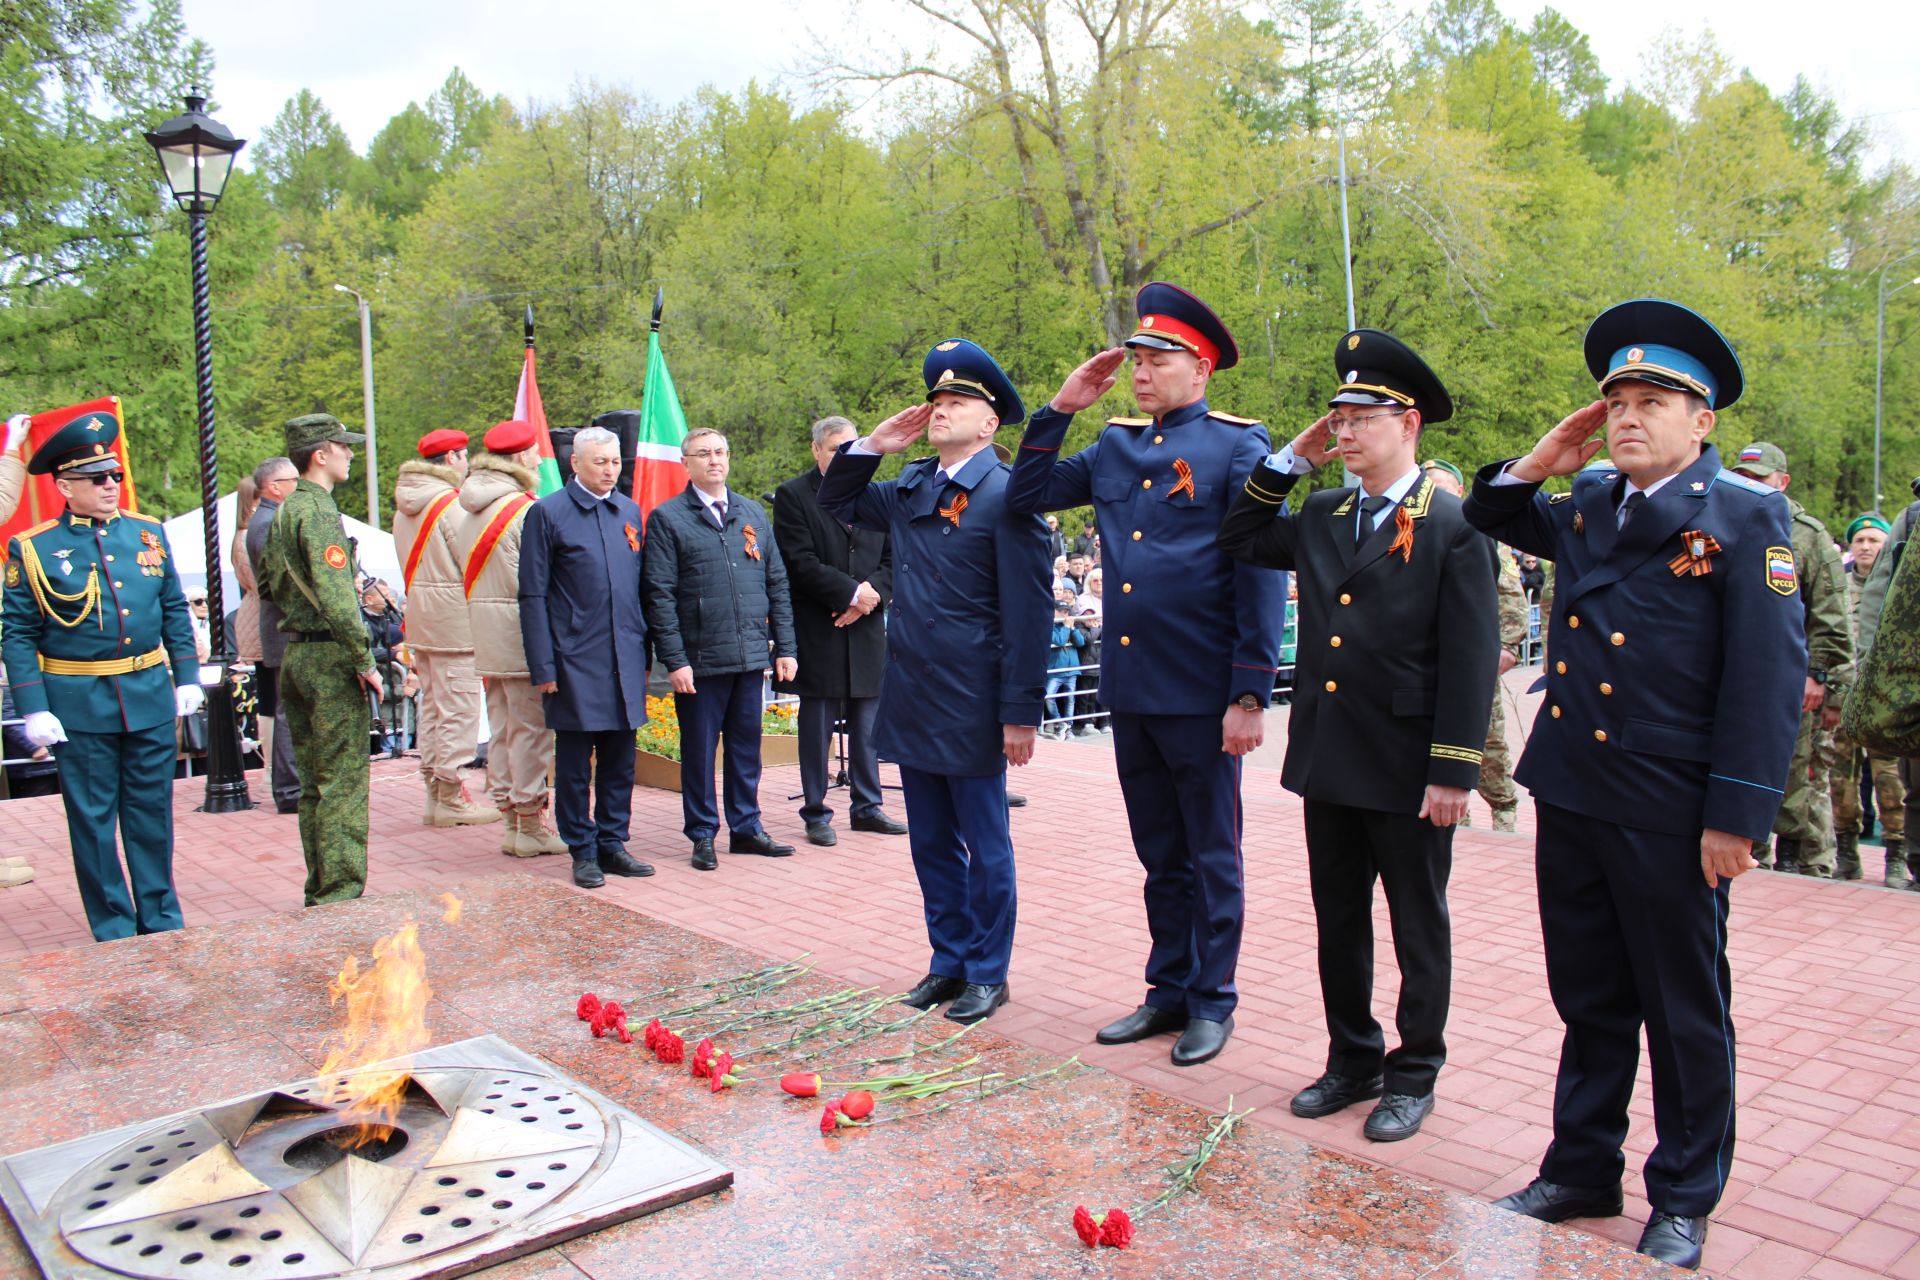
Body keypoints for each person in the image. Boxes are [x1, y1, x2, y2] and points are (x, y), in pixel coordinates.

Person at [1465, 299, 1805, 1271]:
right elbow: (1487, 511)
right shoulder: (1587, 503)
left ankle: (1686, 1192)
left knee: (1683, 1004)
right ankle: (1581, 1166)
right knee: (1590, 995)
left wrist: (1737, 813)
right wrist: (1543, 456)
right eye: (1616, 398)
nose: (1626, 414)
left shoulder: (1745, 516)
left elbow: (1766, 679)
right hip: (1575, 790)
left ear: (1703, 421)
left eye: (1653, 399)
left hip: (1672, 808)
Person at [1218, 333, 1497, 1142]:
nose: (1342, 430)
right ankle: (1353, 1057)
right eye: (1336, 417)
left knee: (1418, 924)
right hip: (1333, 755)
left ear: (1407, 424)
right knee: (1337, 917)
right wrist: (1288, 461)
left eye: (1360, 417)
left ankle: (1415, 1073)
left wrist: (1454, 769)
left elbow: (1473, 656)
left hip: (1410, 764)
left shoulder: (1452, 523)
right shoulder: (1323, 510)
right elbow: (1238, 538)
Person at [1006, 282, 1286, 1067]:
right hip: (1132, 689)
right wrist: (1062, 407)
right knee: (1159, 853)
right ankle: (1167, 989)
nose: (1139, 371)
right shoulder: (1118, 446)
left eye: (1157, 359)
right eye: (1136, 358)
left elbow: (1257, 571)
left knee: (1212, 854)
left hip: (1202, 692)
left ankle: (1213, 999)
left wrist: (1249, 691)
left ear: (1200, 369)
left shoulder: (1238, 447)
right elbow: (1026, 496)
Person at [818, 338, 1050, 1025]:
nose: (940, 410)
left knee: (986, 845)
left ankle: (988, 972)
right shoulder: (915, 482)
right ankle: (948, 961)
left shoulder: (1009, 496)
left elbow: (1032, 613)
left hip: (976, 699)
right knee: (930, 843)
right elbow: (839, 500)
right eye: (937, 401)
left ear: (990, 422)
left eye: (958, 402)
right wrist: (874, 444)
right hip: (915, 692)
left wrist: (1021, 712)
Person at [0, 410, 201, 938]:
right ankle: (112, 924)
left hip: (148, 693)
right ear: (65, 486)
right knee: (92, 821)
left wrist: (186, 676)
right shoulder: (34, 548)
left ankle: (160, 916)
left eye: (114, 475)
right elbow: (17, 632)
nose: (112, 485)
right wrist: (33, 707)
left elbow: (174, 609)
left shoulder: (148, 534)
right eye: (97, 478)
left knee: (152, 813)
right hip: (78, 701)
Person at [642, 428, 799, 869]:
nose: (714, 460)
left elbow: (777, 585)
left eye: (721, 452)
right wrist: (675, 660)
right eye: (704, 454)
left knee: (747, 749)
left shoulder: (751, 513)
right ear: (686, 464)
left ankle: (746, 828)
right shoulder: (669, 519)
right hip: (700, 661)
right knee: (699, 751)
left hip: (750, 656)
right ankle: (703, 834)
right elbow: (659, 595)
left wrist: (785, 647)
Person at [518, 425, 654, 889]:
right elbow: (532, 595)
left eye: (616, 462)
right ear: (574, 464)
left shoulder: (628, 510)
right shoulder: (548, 514)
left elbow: (641, 589)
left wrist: (646, 649)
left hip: (625, 653)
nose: (610, 471)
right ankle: (583, 848)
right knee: (576, 763)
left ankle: (614, 842)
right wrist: (543, 665)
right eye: (600, 462)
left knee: (621, 758)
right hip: (573, 658)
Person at [256, 414, 384, 907]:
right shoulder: (320, 512)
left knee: (313, 784)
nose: (351, 454)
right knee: (343, 785)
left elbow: (269, 585)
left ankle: (321, 887)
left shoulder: (283, 511)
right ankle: (340, 896)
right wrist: (364, 659)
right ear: (320, 454)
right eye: (343, 447)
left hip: (297, 655)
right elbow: (335, 596)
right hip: (331, 657)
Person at [772, 415, 906, 847]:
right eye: (834, 449)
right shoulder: (794, 495)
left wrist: (870, 596)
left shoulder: (878, 494)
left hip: (867, 627)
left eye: (851, 448)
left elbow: (895, 558)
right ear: (816, 450)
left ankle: (868, 807)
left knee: (869, 726)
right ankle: (816, 811)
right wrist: (850, 594)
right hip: (821, 625)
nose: (843, 456)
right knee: (817, 729)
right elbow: (799, 561)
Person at [1728, 442, 1851, 876]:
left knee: (1798, 774)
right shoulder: (1721, 517)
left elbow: (1830, 615)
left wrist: (1819, 675)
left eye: (1758, 479)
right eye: (1742, 476)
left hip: (1791, 678)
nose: (1749, 485)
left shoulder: (1808, 535)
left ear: (1782, 482)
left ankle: (1803, 861)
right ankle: (1750, 850)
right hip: (1737, 676)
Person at [451, 418, 569, 857]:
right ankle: (529, 820)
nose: (539, 459)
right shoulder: (523, 509)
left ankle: (510, 816)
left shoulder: (470, 507)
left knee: (503, 727)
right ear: (521, 457)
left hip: (485, 629)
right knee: (531, 730)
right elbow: (538, 579)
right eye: (535, 453)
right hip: (521, 632)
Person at [393, 428, 498, 826]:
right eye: (464, 455)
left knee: (436, 706)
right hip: (454, 619)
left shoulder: (407, 504)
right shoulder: (449, 505)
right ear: (453, 458)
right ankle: (451, 793)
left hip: (423, 616)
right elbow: (474, 558)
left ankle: (436, 792)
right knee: (459, 708)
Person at [1424, 457, 1525, 832]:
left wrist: (1507, 647)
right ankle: (1457, 815)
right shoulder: (1411, 529)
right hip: (1430, 659)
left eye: (1443, 488)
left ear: (1460, 491)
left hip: (1475, 657)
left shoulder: (1480, 531)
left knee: (1488, 737)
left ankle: (1503, 807)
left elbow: (1511, 594)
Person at [1826, 513, 1906, 881]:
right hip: (1842, 697)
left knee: (1890, 779)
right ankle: (1847, 852)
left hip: (1884, 702)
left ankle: (1896, 853)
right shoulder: (1836, 585)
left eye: (1874, 540)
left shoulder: (1897, 586)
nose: (1866, 546)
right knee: (1841, 779)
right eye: (1859, 540)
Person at [1856, 495, 1920, 887]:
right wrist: (1871, 668)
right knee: (1915, 783)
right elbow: (1880, 594)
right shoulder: (1914, 517)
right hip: (1914, 674)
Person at [245, 456, 301, 813]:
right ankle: (291, 790)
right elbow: (280, 584)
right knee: (288, 711)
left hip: (281, 628)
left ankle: (291, 787)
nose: (299, 484)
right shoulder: (268, 523)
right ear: (274, 487)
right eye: (293, 479)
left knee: (288, 709)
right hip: (284, 629)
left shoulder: (268, 519)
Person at [1043, 593, 1086, 736]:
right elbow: (1059, 640)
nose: (1064, 614)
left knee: (1070, 699)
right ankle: (1059, 721)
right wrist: (1067, 628)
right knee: (1048, 696)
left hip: (1071, 669)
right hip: (1055, 670)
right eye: (1061, 611)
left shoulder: (1068, 625)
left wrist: (1072, 629)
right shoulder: (1048, 625)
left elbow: (1080, 642)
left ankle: (1068, 726)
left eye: (1066, 612)